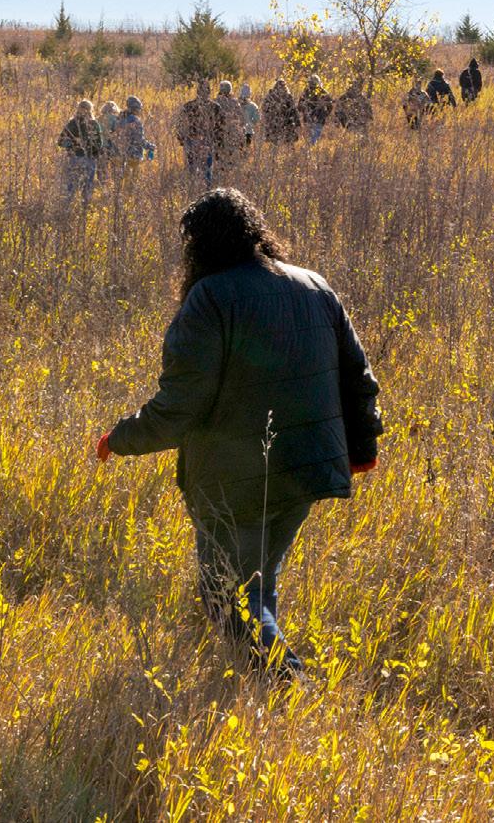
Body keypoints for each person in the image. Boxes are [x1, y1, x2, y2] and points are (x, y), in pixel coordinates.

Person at [96, 189, 383, 676]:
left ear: (199, 246)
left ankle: (290, 684)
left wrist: (118, 439)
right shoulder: (315, 286)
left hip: (237, 478)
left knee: (225, 595)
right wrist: (361, 448)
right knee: (256, 585)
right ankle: (264, 699)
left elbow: (180, 406)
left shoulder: (210, 298)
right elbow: (359, 379)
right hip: (306, 469)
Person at [58, 99, 107, 205]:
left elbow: (60, 141)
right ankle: (84, 212)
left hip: (74, 159)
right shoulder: (94, 124)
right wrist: (90, 148)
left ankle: (65, 210)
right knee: (87, 188)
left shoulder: (72, 123)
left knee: (70, 187)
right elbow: (100, 145)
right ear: (91, 110)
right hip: (90, 160)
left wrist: (72, 145)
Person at [178, 80, 220, 185]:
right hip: (207, 141)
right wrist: (218, 140)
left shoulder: (188, 106)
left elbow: (180, 123)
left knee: (191, 167)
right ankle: (206, 191)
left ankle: (191, 188)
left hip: (191, 140)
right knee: (207, 169)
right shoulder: (215, 107)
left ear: (197, 92)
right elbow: (220, 126)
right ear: (209, 92)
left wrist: (181, 138)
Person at [214, 80, 247, 173]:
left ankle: (220, 172)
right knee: (231, 155)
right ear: (230, 90)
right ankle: (229, 173)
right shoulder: (235, 103)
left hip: (218, 132)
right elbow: (242, 120)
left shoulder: (215, 102)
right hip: (233, 133)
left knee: (219, 154)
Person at [261, 79, 300, 147]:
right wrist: (297, 123)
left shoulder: (271, 96)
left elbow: (264, 108)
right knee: (287, 142)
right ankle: (288, 155)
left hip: (277, 123)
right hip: (284, 123)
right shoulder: (287, 96)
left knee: (277, 143)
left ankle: (277, 155)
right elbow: (294, 111)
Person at [239, 82, 262, 148]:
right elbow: (257, 118)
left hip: (237, 131)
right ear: (250, 93)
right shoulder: (253, 106)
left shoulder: (236, 104)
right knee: (246, 148)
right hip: (248, 131)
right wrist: (251, 124)